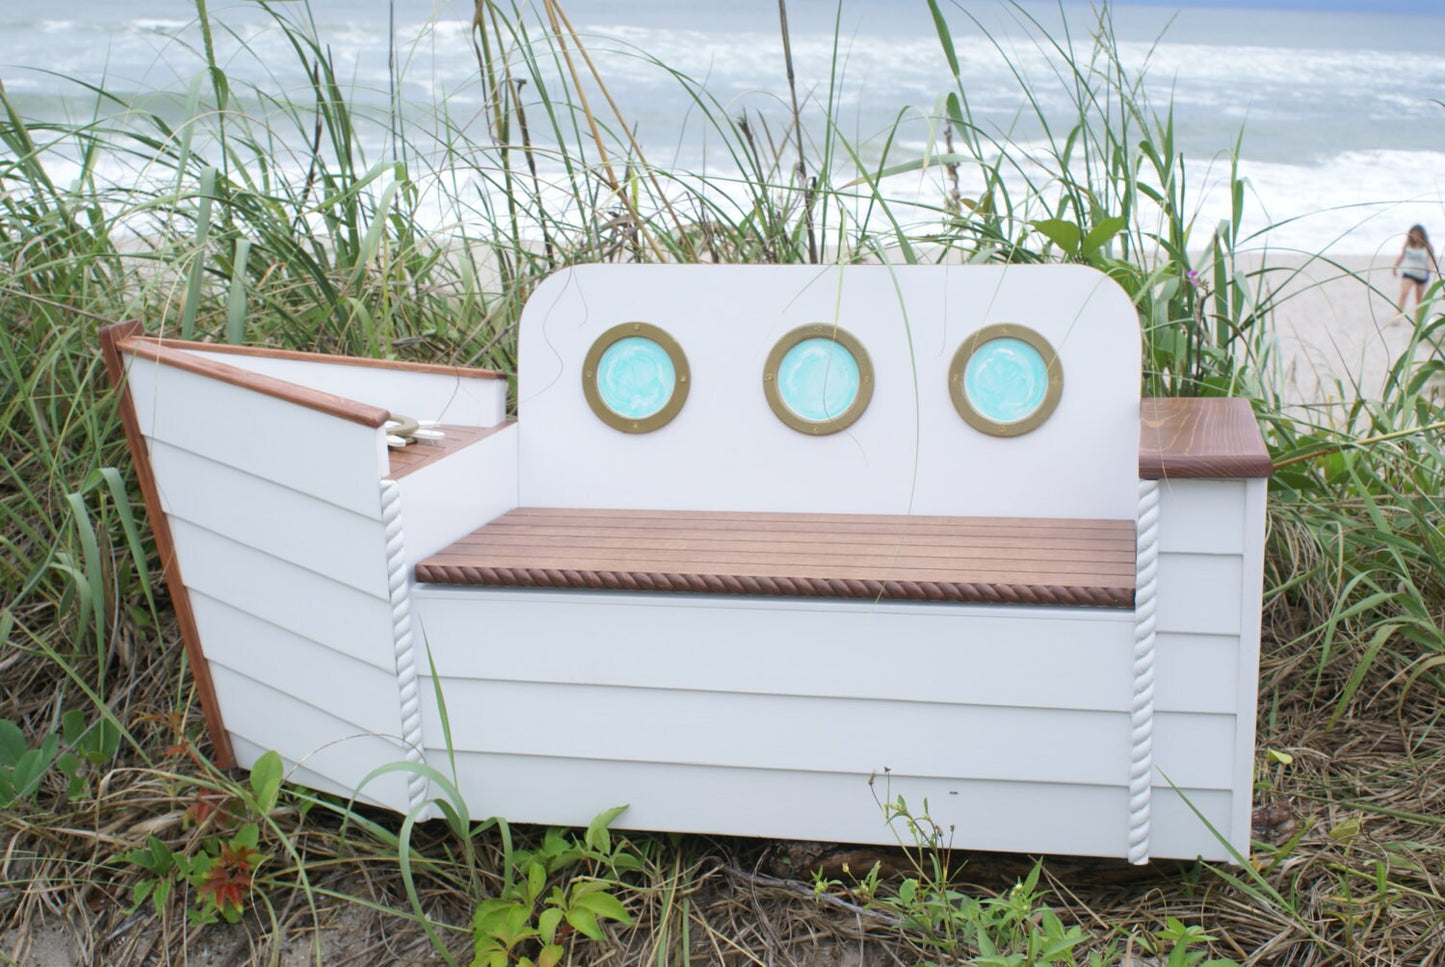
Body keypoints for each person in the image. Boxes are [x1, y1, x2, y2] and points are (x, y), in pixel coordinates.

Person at [1393, 224, 1437, 312]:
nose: (1416, 237)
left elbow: (1432, 260)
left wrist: (1430, 268)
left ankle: (1417, 321)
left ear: (1422, 235)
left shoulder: (1427, 245)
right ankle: (1398, 314)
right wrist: (1395, 267)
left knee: (1419, 299)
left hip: (1421, 275)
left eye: (1418, 234)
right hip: (1409, 272)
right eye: (1414, 234)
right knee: (1404, 293)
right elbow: (1402, 256)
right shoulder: (1408, 244)